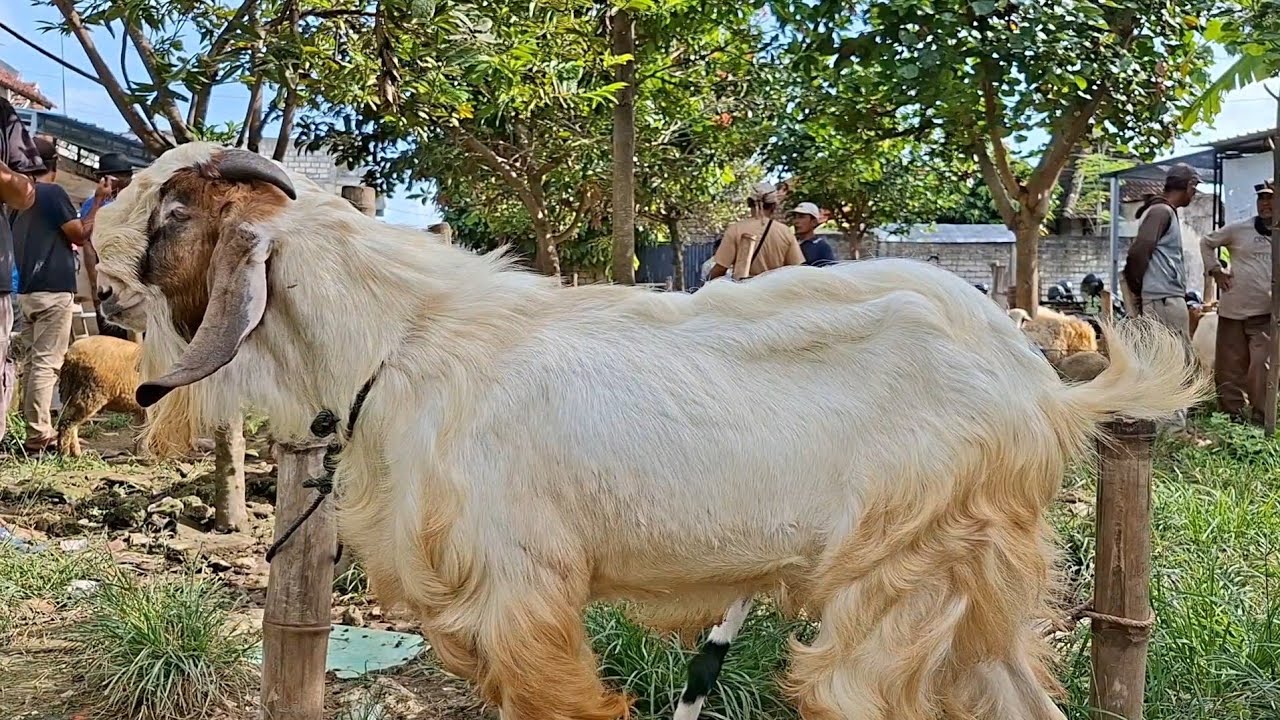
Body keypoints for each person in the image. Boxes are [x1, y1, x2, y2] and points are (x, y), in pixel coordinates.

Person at [12, 137, 88, 452]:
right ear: (54, 167)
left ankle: (30, 426)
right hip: (53, 290)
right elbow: (79, 235)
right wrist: (97, 204)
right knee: (47, 363)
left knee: (31, 363)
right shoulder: (52, 192)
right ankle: (39, 434)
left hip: (26, 291)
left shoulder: (16, 198)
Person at [1122, 162, 1199, 430]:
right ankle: (1172, 429)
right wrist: (1137, 288)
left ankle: (1162, 423)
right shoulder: (1161, 211)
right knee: (1174, 360)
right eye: (1194, 188)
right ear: (1188, 186)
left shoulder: (1160, 211)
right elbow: (1138, 252)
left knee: (1163, 359)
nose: (1195, 194)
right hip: (1164, 298)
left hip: (1162, 296)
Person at [1201, 179, 1275, 424]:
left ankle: (1261, 417)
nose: (1266, 203)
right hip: (1233, 311)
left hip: (1265, 314)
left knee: (1261, 367)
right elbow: (1207, 242)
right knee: (1229, 368)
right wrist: (1215, 270)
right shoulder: (1238, 230)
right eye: (1262, 199)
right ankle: (1231, 418)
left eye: (1271, 198)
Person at [0, 99, 40, 446]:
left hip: (21, 286)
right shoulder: (59, 198)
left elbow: (24, 194)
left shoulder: (3, 116)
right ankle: (39, 432)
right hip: (41, 289)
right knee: (43, 360)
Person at [79, 153, 133, 335]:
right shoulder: (94, 205)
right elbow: (87, 242)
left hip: (132, 279)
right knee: (113, 335)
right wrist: (95, 285)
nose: (127, 181)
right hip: (108, 280)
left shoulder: (136, 202)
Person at [707, 182, 804, 281]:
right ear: (774, 206)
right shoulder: (785, 232)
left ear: (749, 203)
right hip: (775, 291)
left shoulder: (735, 230)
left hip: (744, 291)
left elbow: (720, 269)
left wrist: (704, 287)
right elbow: (795, 269)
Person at [790, 201, 836, 267]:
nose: (796, 221)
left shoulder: (821, 247)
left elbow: (830, 272)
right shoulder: (791, 243)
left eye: (801, 217)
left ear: (814, 222)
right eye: (795, 217)